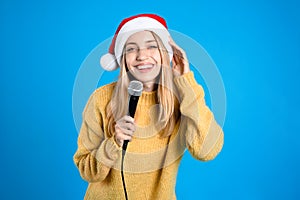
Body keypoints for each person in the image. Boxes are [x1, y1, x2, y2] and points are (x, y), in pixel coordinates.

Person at [73, 13, 224, 200]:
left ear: (165, 53)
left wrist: (186, 81)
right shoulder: (101, 99)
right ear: (123, 59)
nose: (142, 56)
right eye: (131, 49)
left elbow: (206, 150)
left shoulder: (182, 99)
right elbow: (86, 170)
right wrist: (113, 143)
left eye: (152, 46)